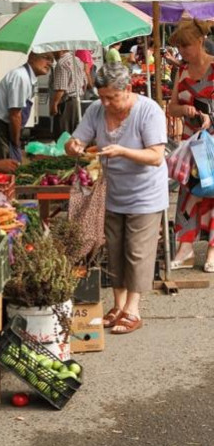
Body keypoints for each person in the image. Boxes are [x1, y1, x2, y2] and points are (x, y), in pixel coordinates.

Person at [65, 62, 168, 334]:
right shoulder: (96, 110)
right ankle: (118, 305)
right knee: (115, 249)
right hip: (112, 192)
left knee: (137, 250)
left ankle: (133, 310)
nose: (107, 103)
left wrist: (123, 151)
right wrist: (74, 146)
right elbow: (75, 141)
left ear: (128, 88)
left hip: (145, 193)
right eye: (102, 97)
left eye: (113, 97)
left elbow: (156, 156)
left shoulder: (148, 111)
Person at [167, 19, 214, 272]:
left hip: (213, 142)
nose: (182, 51)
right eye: (179, 46)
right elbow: (172, 106)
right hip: (190, 142)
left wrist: (210, 117)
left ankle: (212, 251)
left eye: (185, 45)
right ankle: (185, 246)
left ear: (200, 42)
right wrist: (183, 108)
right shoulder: (182, 71)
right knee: (188, 193)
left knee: (213, 191)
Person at [0, 51, 53, 163]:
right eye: (46, 58)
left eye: (52, 60)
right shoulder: (21, 77)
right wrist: (16, 142)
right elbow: (15, 115)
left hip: (7, 129)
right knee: (3, 171)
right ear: (32, 57)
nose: (49, 63)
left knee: (12, 169)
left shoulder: (29, 78)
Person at [50, 50, 86, 133]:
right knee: (74, 131)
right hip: (77, 99)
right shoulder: (77, 60)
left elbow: (61, 87)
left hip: (66, 102)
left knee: (63, 133)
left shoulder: (62, 63)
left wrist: (54, 104)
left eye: (53, 51)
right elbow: (84, 81)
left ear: (59, 50)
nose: (52, 54)